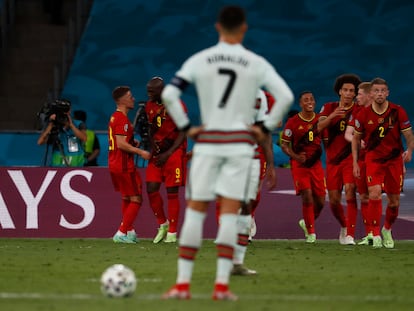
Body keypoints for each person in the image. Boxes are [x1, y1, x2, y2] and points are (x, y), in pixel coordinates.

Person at [160, 5, 294, 301]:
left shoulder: (200, 59)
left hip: (207, 143)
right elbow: (285, 96)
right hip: (239, 146)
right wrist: (265, 127)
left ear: (217, 27)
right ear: (244, 28)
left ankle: (182, 285)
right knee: (231, 215)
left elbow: (169, 94)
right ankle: (221, 287)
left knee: (195, 214)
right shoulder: (254, 62)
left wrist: (187, 127)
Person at [352, 77, 414, 248]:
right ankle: (375, 233)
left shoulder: (398, 111)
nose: (379, 94)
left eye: (382, 91)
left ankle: (387, 229)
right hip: (374, 159)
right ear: (371, 93)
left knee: (394, 201)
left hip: (394, 160)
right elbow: (355, 139)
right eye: (376, 91)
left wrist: (410, 150)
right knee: (374, 193)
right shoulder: (363, 114)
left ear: (387, 93)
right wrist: (355, 163)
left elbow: (408, 134)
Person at [317, 73, 361, 245]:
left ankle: (350, 234)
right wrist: (333, 115)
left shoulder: (359, 110)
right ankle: (343, 226)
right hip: (332, 160)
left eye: (352, 90)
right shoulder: (328, 107)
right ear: (339, 91)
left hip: (350, 158)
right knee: (334, 200)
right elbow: (318, 127)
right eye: (345, 90)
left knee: (350, 191)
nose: (348, 93)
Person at [144, 77, 188, 244]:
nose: (148, 94)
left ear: (161, 90)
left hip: (174, 152)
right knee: (151, 188)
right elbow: (151, 127)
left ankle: (173, 232)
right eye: (148, 90)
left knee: (172, 191)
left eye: (151, 91)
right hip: (158, 151)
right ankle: (163, 224)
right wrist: (152, 144)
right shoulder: (150, 105)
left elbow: (183, 131)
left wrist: (168, 153)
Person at [281, 91, 326, 243]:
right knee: (306, 194)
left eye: (311, 99)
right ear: (300, 104)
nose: (309, 102)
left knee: (320, 201)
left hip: (316, 165)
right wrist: (295, 157)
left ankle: (307, 223)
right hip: (299, 165)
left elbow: (328, 140)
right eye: (306, 100)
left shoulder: (320, 120)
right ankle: (311, 233)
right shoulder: (293, 122)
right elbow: (284, 144)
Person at [108, 86, 151, 244]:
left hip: (114, 163)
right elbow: (120, 144)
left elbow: (121, 141)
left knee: (127, 197)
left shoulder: (115, 117)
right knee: (137, 199)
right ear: (122, 100)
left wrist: (132, 142)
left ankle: (130, 232)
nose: (133, 99)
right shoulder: (122, 119)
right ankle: (121, 232)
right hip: (123, 164)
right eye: (130, 96)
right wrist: (140, 152)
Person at [344, 82, 373, 244]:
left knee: (380, 196)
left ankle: (378, 233)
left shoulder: (382, 111)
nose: (357, 97)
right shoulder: (356, 111)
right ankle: (368, 234)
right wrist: (357, 139)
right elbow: (348, 134)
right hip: (361, 159)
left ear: (369, 95)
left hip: (379, 160)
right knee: (363, 195)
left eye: (360, 94)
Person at [37, 99, 87, 167]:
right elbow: (40, 142)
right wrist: (51, 125)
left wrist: (71, 125)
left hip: (76, 165)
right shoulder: (54, 126)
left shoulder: (79, 124)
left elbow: (84, 138)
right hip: (57, 165)